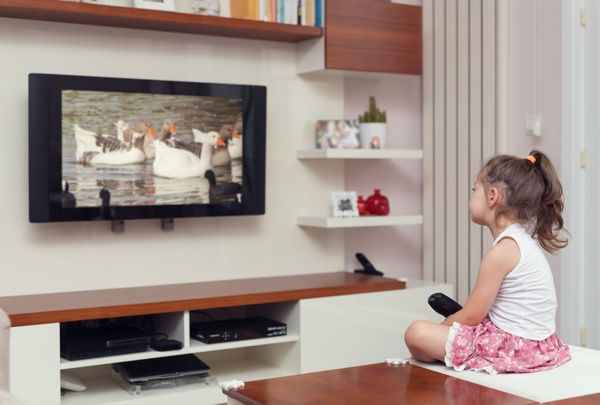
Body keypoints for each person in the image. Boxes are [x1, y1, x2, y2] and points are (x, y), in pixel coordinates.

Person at [404, 150, 572, 374]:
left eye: (475, 189)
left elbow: (471, 316)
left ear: (492, 196)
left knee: (417, 333)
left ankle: (446, 354)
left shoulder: (502, 252)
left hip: (516, 348)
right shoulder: (520, 242)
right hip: (537, 346)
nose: (472, 195)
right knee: (429, 336)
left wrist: (441, 329)